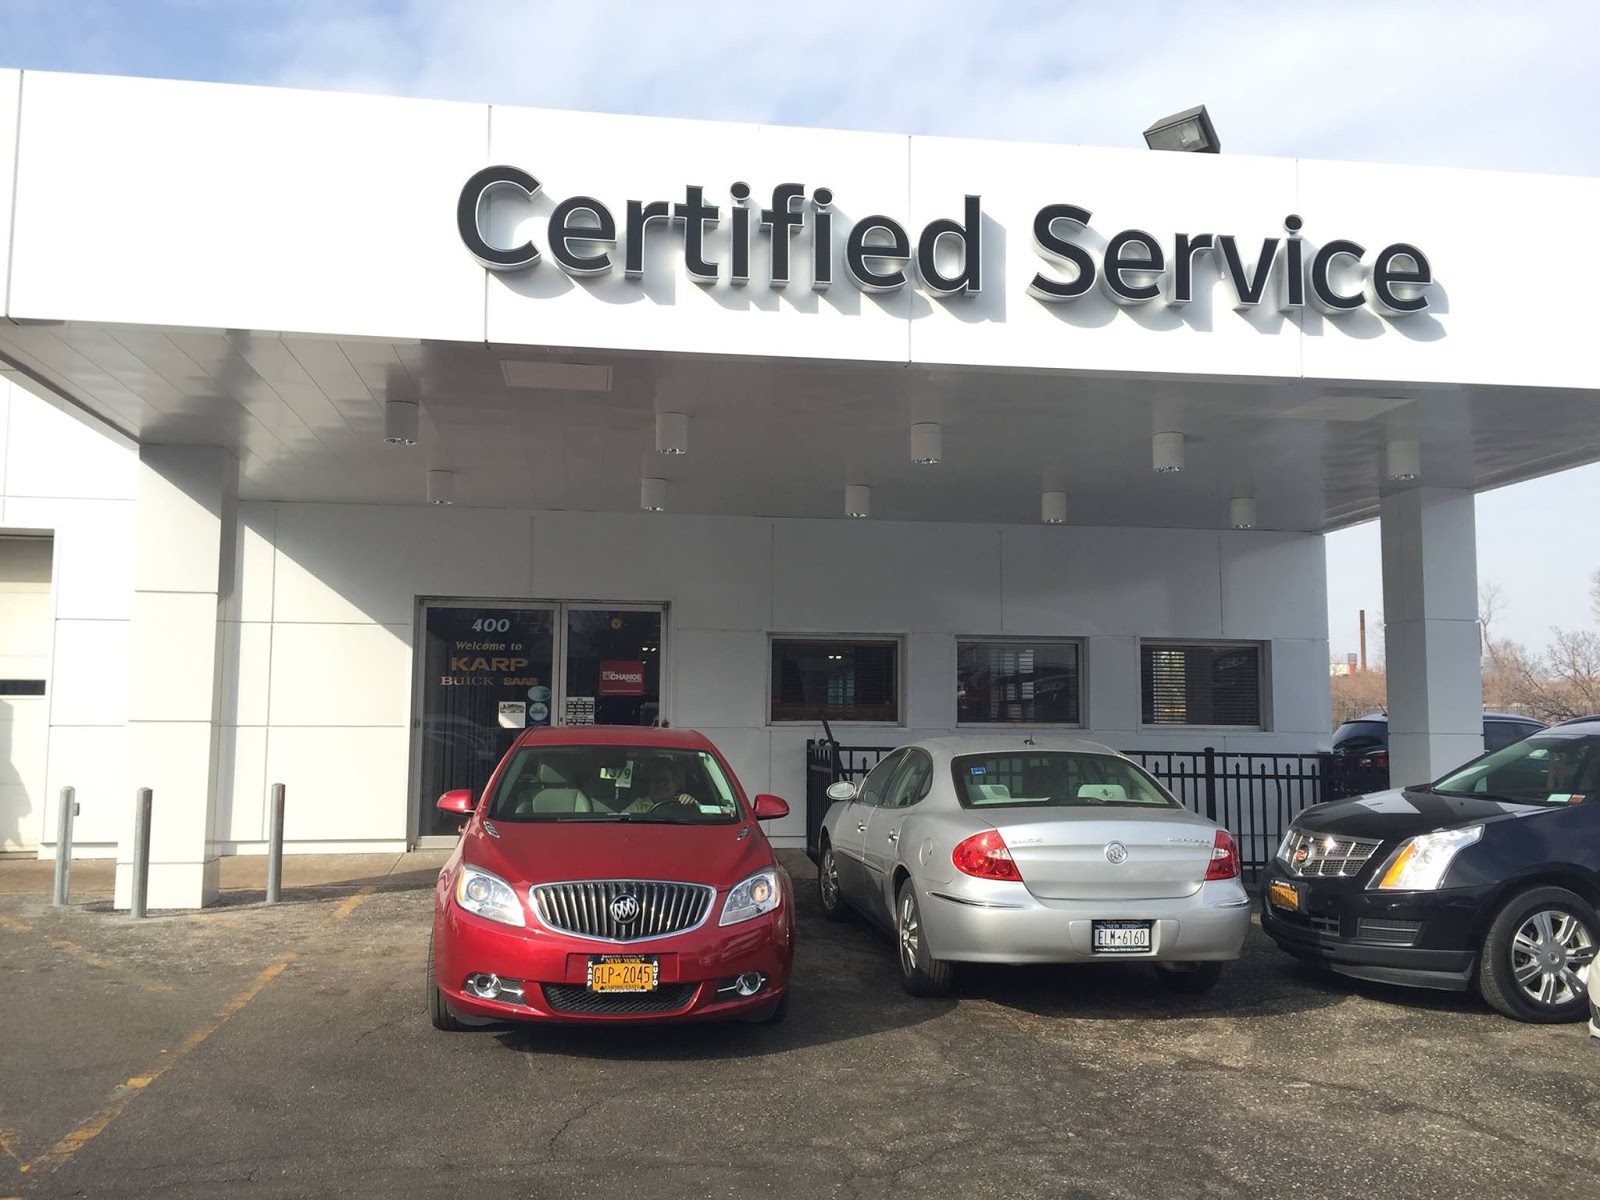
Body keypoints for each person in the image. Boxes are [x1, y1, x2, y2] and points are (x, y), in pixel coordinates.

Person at [623, 757, 697, 813]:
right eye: (655, 781)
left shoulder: (684, 801)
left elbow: (703, 815)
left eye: (665, 781)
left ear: (675, 784)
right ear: (649, 785)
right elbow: (622, 821)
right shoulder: (639, 806)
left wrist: (693, 804)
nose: (660, 785)